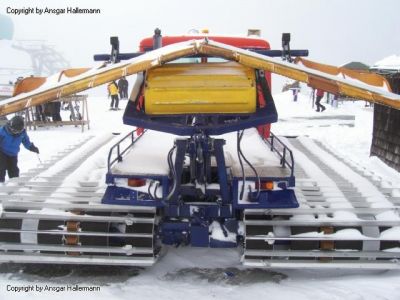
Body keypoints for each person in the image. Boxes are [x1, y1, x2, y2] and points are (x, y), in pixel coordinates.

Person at [0, 116, 39, 182]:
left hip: (13, 154)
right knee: (1, 168)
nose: (16, 133)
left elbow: (26, 141)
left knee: (13, 169)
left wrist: (31, 147)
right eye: (14, 131)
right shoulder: (2, 131)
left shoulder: (22, 133)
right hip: (2, 152)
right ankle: (1, 183)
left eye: (18, 131)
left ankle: (14, 183)